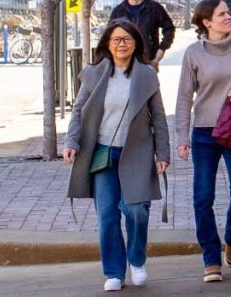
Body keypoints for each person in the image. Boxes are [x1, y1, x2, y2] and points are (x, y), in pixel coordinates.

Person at [63, 19, 170, 292]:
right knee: (107, 215)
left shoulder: (146, 75)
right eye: (116, 39)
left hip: (137, 152)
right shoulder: (93, 74)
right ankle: (113, 271)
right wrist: (72, 141)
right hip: (101, 152)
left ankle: (136, 259)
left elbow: (158, 116)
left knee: (136, 209)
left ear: (136, 43)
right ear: (107, 44)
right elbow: (78, 111)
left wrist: (163, 152)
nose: (121, 44)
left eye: (127, 39)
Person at [175, 0, 231, 283]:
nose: (228, 17)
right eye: (222, 14)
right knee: (203, 197)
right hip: (204, 133)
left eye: (228, 12)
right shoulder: (193, 53)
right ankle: (211, 258)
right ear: (206, 22)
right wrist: (182, 136)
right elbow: (184, 97)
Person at [108, 0, 175, 67]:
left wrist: (161, 50)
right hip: (124, 62)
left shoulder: (154, 8)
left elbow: (169, 28)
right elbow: (109, 36)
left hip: (149, 61)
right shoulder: (118, 11)